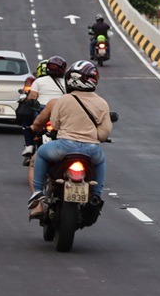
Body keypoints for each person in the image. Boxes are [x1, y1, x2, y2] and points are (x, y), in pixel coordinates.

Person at [28, 60, 112, 217]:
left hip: (63, 147)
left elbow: (55, 124)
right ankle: (96, 195)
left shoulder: (64, 100)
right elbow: (103, 134)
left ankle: (38, 191)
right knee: (100, 161)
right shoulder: (102, 103)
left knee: (40, 154)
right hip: (91, 150)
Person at [16, 75, 45, 162]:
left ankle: (29, 145)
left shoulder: (36, 82)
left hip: (40, 112)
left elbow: (31, 97)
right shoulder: (63, 81)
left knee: (27, 120)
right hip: (58, 112)